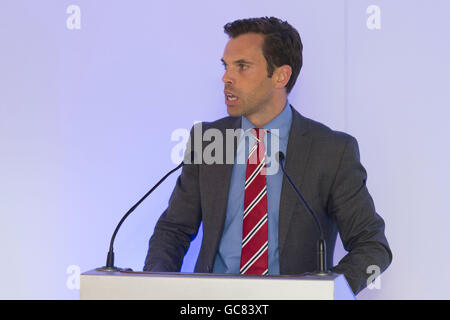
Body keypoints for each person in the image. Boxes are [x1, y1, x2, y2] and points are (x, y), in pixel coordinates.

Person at [143, 16, 392, 295]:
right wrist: (156, 288)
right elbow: (173, 230)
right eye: (226, 66)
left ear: (280, 76)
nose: (226, 77)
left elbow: (372, 246)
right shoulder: (209, 141)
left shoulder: (331, 151)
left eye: (242, 67)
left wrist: (325, 292)